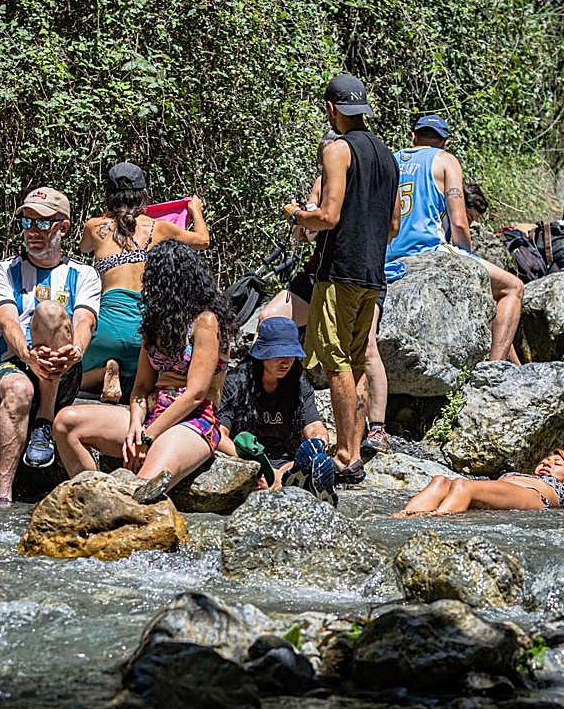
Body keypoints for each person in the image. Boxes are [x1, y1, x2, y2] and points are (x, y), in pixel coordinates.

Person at [282, 75, 400, 485]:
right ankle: (356, 446)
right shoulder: (388, 157)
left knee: (335, 364)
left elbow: (328, 216)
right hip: (373, 273)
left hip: (339, 272)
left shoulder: (338, 150)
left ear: (332, 109)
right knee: (355, 360)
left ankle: (347, 454)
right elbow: (393, 226)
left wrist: (297, 214)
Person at [53, 240, 233, 501]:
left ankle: (114, 511)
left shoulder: (206, 321)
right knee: (65, 423)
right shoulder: (155, 324)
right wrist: (135, 426)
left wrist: (147, 438)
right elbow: (140, 387)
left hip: (193, 420)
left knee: (140, 493)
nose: (145, 287)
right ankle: (93, 501)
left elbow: (196, 393)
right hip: (153, 413)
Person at [260, 130, 392, 456]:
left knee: (360, 351)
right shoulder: (328, 179)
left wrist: (294, 213)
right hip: (320, 272)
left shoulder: (367, 171)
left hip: (351, 273)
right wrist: (303, 217)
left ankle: (374, 430)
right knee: (268, 317)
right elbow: (304, 234)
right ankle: (275, 405)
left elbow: (328, 220)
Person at [0, 187, 101, 504]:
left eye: (42, 223)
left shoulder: (84, 274)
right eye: (27, 222)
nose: (32, 231)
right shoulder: (1, 270)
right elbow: (8, 322)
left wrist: (76, 350)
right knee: (20, 388)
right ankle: (2, 499)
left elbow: (84, 322)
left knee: (50, 311)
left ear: (63, 227)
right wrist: (28, 357)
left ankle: (45, 421)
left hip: (62, 369)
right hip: (12, 367)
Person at [383, 114, 523, 363]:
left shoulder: (390, 160)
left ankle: (515, 366)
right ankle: (494, 368)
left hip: (389, 254)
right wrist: (467, 256)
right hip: (427, 251)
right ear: (445, 143)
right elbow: (458, 220)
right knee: (513, 287)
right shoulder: (446, 161)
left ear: (413, 137)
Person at [80, 162, 209, 402]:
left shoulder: (94, 227)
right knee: (143, 378)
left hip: (105, 330)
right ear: (144, 195)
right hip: (145, 332)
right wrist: (195, 210)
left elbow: (84, 248)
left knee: (72, 378)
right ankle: (127, 378)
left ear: (107, 196)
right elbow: (203, 240)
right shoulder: (160, 228)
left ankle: (101, 373)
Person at [215, 317, 332, 495]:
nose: (286, 361)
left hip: (288, 460)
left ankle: (297, 479)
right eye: (278, 354)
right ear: (262, 354)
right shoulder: (235, 383)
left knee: (313, 462)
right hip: (247, 458)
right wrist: (258, 467)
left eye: (290, 354)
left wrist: (318, 442)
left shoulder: (299, 383)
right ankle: (297, 484)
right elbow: (219, 434)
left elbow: (314, 425)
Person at [393, 450, 564, 516]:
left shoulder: (561, 490)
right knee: (440, 481)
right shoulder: (524, 474)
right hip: (506, 491)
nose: (547, 463)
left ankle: (436, 519)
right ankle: (402, 517)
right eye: (545, 461)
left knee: (462, 485)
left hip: (532, 496)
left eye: (557, 463)